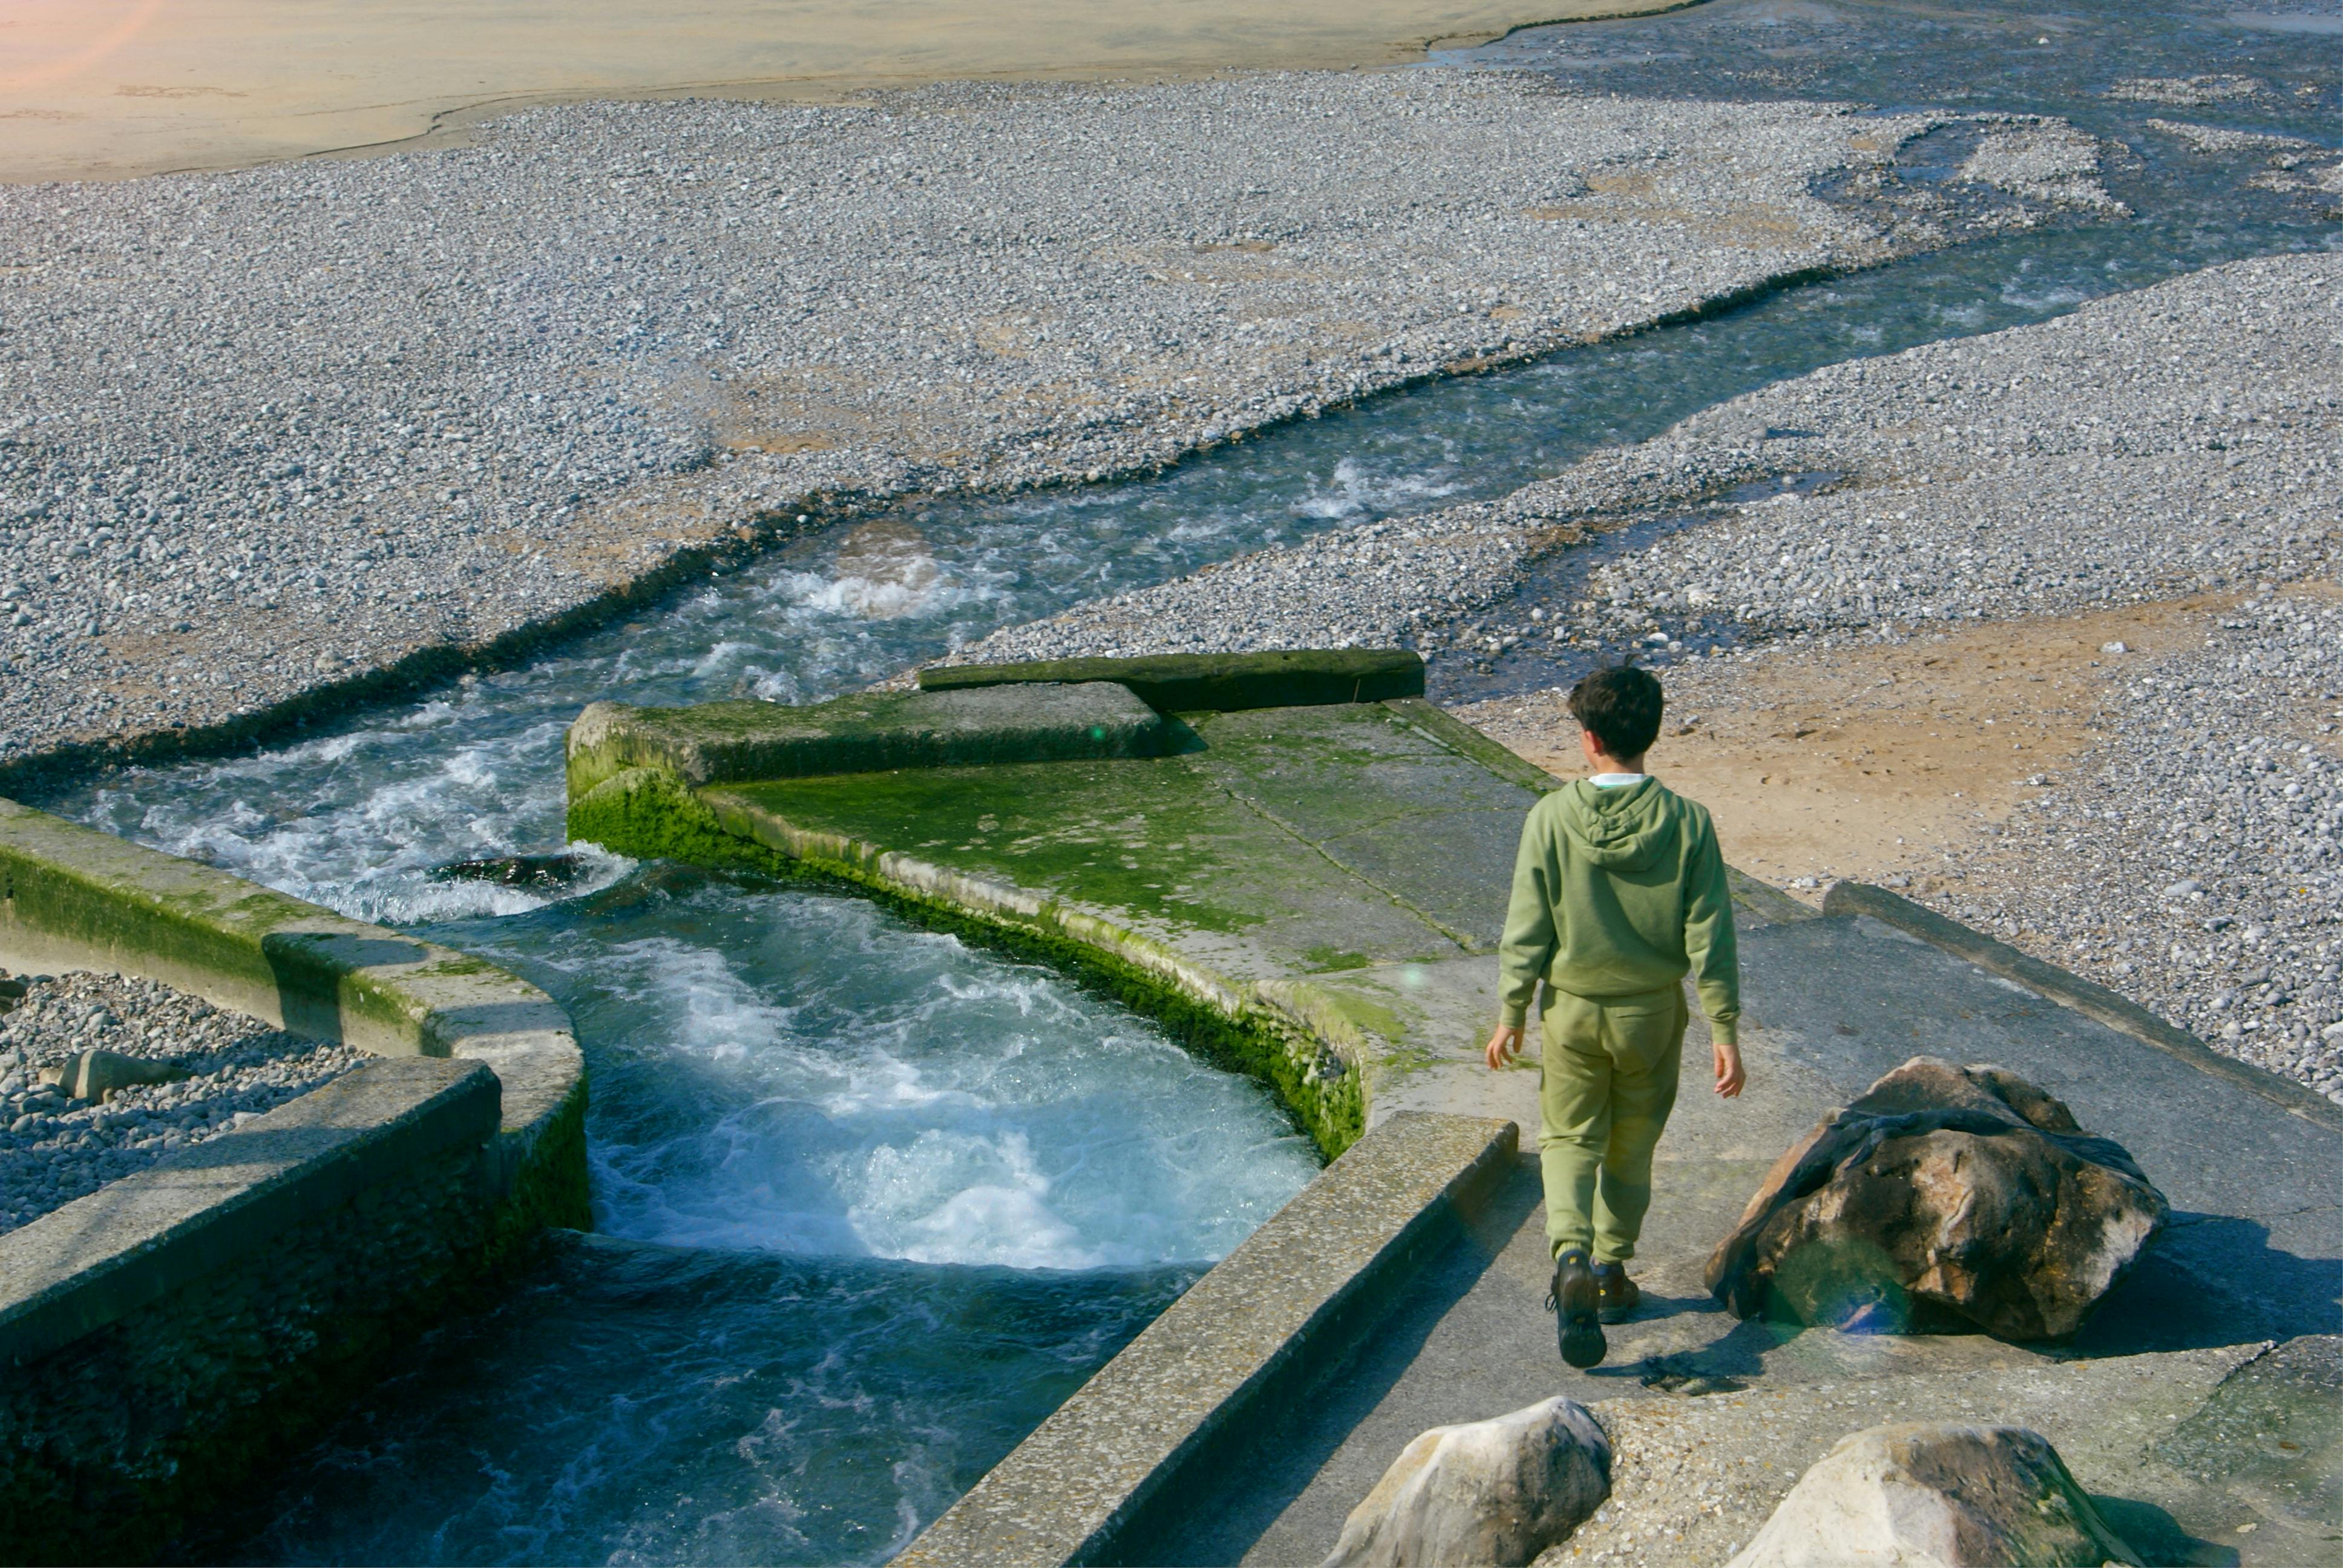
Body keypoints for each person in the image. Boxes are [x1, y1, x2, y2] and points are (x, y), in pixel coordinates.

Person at [1484, 662, 1743, 1370]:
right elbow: (1709, 935)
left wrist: (1510, 1013)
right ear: (1649, 735)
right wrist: (1723, 1029)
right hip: (1651, 1016)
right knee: (1630, 1148)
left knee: (1568, 1137)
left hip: (1569, 1011)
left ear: (1588, 738)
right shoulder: (1688, 824)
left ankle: (1567, 1251)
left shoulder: (1548, 818)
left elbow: (1525, 928)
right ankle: (1608, 1271)